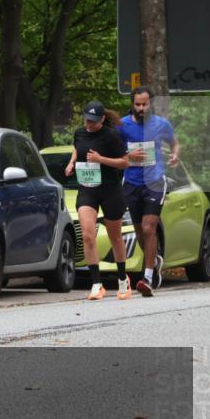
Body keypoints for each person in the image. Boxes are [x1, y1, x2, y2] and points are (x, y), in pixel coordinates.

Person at [65, 101, 131, 300]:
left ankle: (122, 280)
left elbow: (125, 162)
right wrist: (71, 163)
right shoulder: (79, 133)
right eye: (86, 120)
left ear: (102, 119)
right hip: (88, 188)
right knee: (87, 235)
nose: (89, 125)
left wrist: (101, 160)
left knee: (115, 236)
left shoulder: (111, 136)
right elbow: (78, 149)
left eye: (93, 122)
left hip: (110, 189)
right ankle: (97, 284)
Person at [119, 86, 180, 297]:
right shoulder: (123, 125)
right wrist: (127, 153)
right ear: (132, 104)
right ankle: (154, 262)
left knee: (148, 228)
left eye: (145, 104)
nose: (141, 108)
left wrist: (174, 155)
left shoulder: (161, 124)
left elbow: (175, 143)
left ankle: (147, 278)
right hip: (132, 183)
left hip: (154, 181)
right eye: (138, 104)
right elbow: (114, 149)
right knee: (139, 232)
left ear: (151, 103)